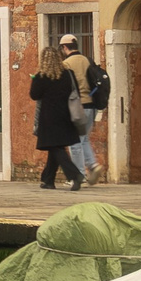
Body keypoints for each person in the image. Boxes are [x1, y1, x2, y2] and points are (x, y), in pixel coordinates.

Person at [60, 35, 111, 183]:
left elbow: (65, 88)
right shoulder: (87, 60)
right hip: (91, 106)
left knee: (75, 142)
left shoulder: (66, 64)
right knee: (83, 138)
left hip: (77, 107)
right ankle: (93, 165)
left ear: (64, 47)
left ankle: (79, 175)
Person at [30, 54, 84, 189]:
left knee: (55, 147)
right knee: (56, 146)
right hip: (66, 115)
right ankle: (48, 180)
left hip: (49, 117)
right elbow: (76, 90)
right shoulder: (68, 74)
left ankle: (75, 174)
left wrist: (35, 79)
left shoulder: (41, 76)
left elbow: (34, 95)